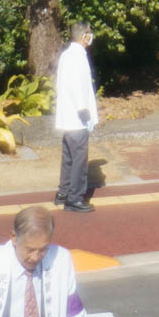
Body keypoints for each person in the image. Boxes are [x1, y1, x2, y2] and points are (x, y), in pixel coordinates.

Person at [54, 21, 97, 214]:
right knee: (79, 158)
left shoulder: (67, 55)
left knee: (69, 157)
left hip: (67, 116)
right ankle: (75, 198)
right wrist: (83, 110)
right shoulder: (77, 57)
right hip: (77, 117)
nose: (91, 36)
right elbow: (77, 86)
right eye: (89, 32)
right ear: (84, 36)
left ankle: (63, 193)